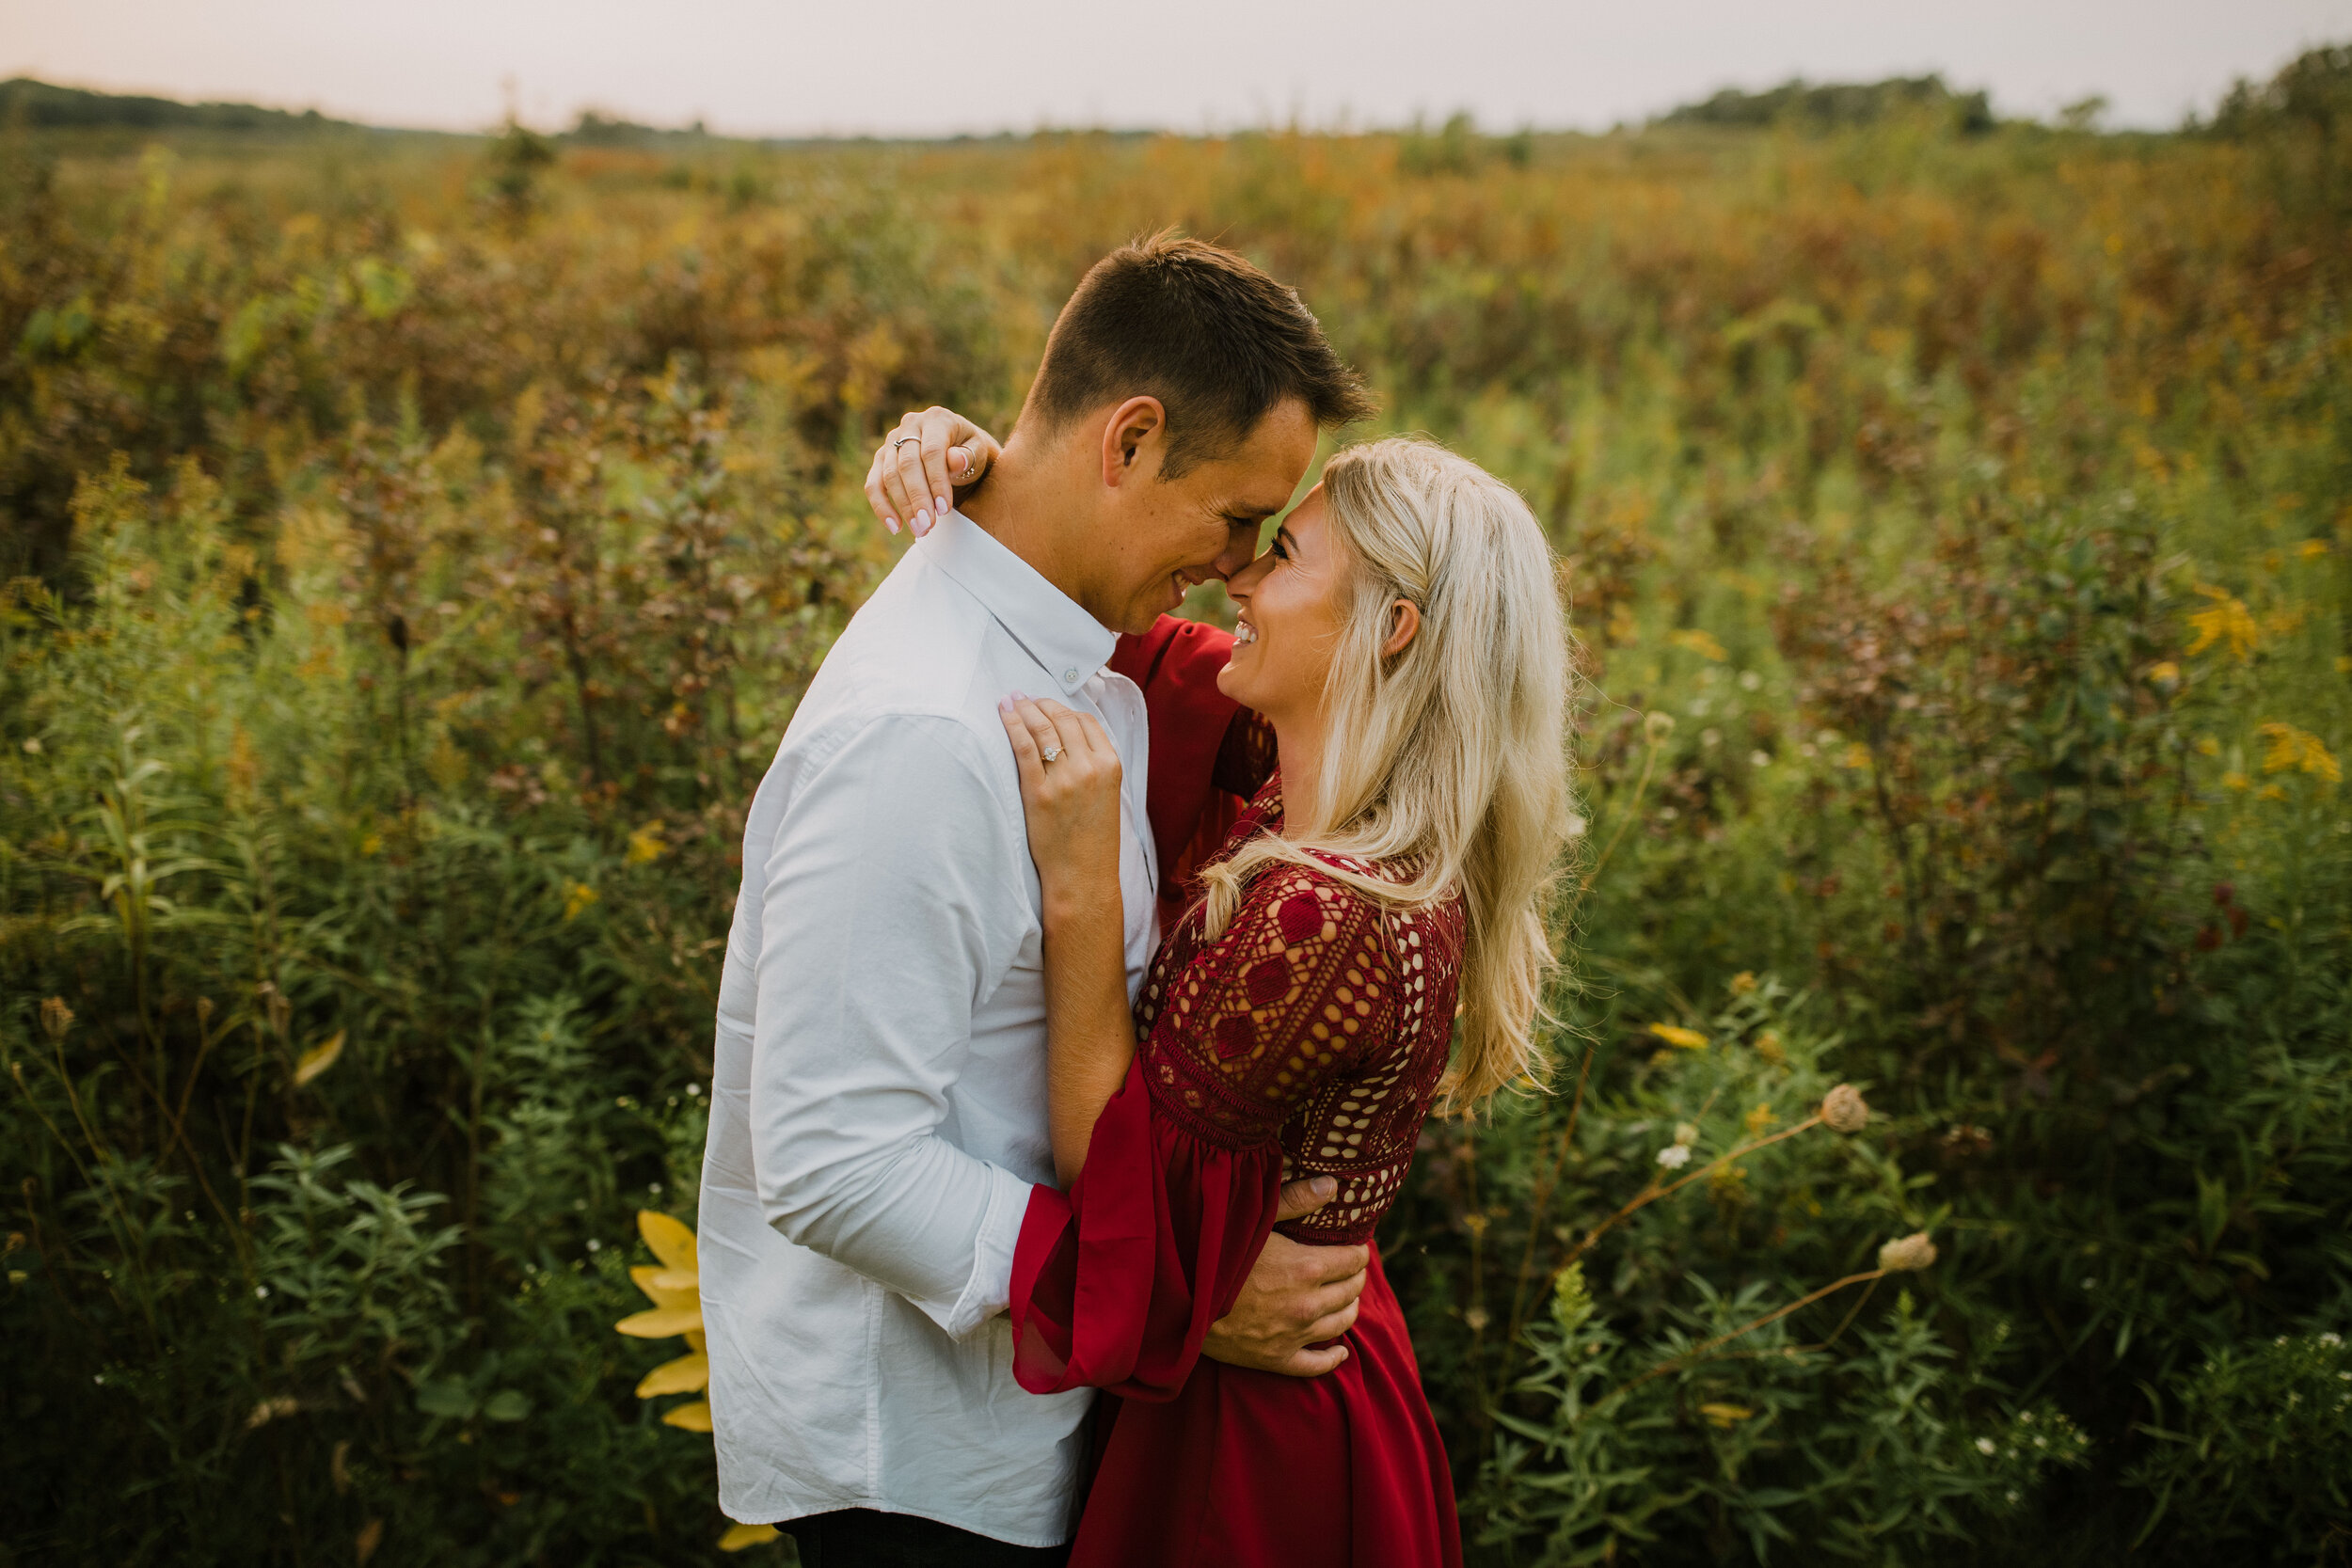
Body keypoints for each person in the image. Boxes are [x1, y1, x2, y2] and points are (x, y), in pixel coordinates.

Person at [697, 233, 1381, 1567]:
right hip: (918, 1459)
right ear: (1127, 442)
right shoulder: (926, 734)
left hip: (1011, 1415)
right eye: (1236, 516)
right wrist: (1165, 1298)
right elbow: (833, 1159)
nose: (1238, 566)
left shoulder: (1063, 650)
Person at [868, 415, 1574, 1565]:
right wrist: (993, 467)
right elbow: (1101, 630)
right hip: (1275, 1383)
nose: (1239, 573)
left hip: (1248, 1444)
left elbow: (1114, 1171)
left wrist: (1083, 886)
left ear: (1390, 630)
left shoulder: (1328, 911)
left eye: (1283, 556)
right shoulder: (1317, 783)